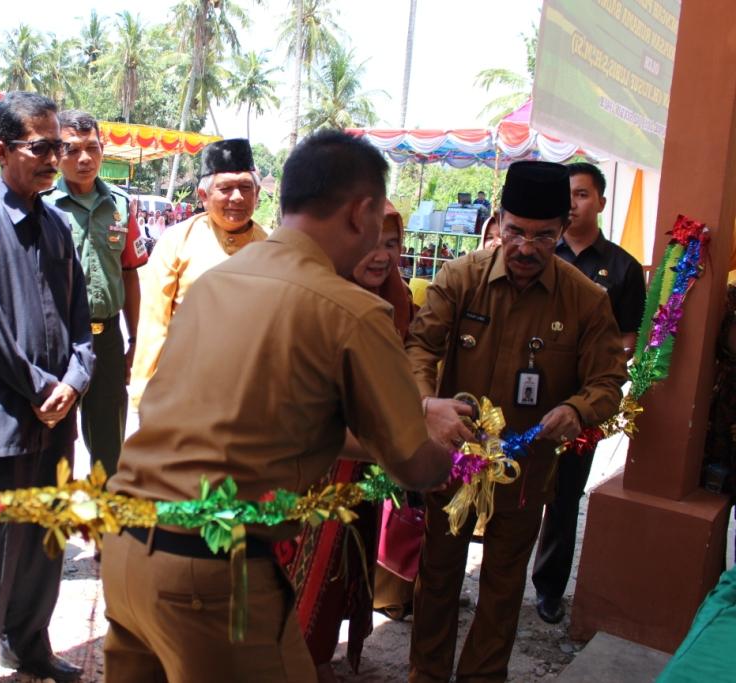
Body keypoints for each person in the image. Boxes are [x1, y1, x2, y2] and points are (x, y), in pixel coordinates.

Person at [101, 130, 451, 682]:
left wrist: (417, 417)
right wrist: (455, 452)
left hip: (127, 550)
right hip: (211, 571)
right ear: (362, 212)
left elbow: (272, 420)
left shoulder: (217, 283)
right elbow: (412, 463)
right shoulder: (350, 310)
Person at [405, 160, 629, 683]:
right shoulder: (461, 278)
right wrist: (425, 404)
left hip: (525, 471)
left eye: (543, 237)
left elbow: (607, 381)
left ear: (562, 229)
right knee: (437, 578)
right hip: (452, 464)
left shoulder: (585, 300)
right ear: (500, 220)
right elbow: (419, 347)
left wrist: (577, 410)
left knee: (504, 587)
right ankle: (426, 674)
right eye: (516, 233)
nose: (527, 248)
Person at [0, 91, 94, 682]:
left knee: (42, 548)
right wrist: (40, 387)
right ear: (2, 150)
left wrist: (75, 382)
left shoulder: (56, 226)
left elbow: (82, 323)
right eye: (43, 146)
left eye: (59, 145)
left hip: (55, 418)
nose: (55, 157)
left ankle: (28, 645)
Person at [275, 200, 417, 681]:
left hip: (365, 466)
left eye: (392, 243)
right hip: (316, 465)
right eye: (370, 243)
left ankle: (316, 657)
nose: (381, 255)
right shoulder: (317, 302)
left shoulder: (401, 305)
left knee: (343, 569)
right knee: (301, 570)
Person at [530, 161, 648, 623]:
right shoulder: (541, 253)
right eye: (568, 196)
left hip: (583, 403)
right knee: (511, 484)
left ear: (600, 200)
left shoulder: (621, 268)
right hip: (528, 393)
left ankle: (548, 589)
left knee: (564, 496)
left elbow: (627, 341)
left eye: (582, 195)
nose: (574, 204)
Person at [44, 110, 147, 476]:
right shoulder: (41, 204)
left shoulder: (120, 205)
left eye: (93, 148)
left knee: (107, 439)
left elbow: (130, 273)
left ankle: (102, 523)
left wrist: (135, 339)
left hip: (106, 338)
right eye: (72, 150)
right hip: (57, 339)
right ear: (56, 153)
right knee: (54, 438)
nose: (85, 159)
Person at [130, 138, 268, 405]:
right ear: (204, 196)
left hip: (252, 394)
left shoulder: (272, 247)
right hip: (187, 392)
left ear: (257, 193)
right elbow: (154, 323)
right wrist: (143, 396)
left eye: (245, 187)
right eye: (225, 188)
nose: (237, 197)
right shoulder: (176, 242)